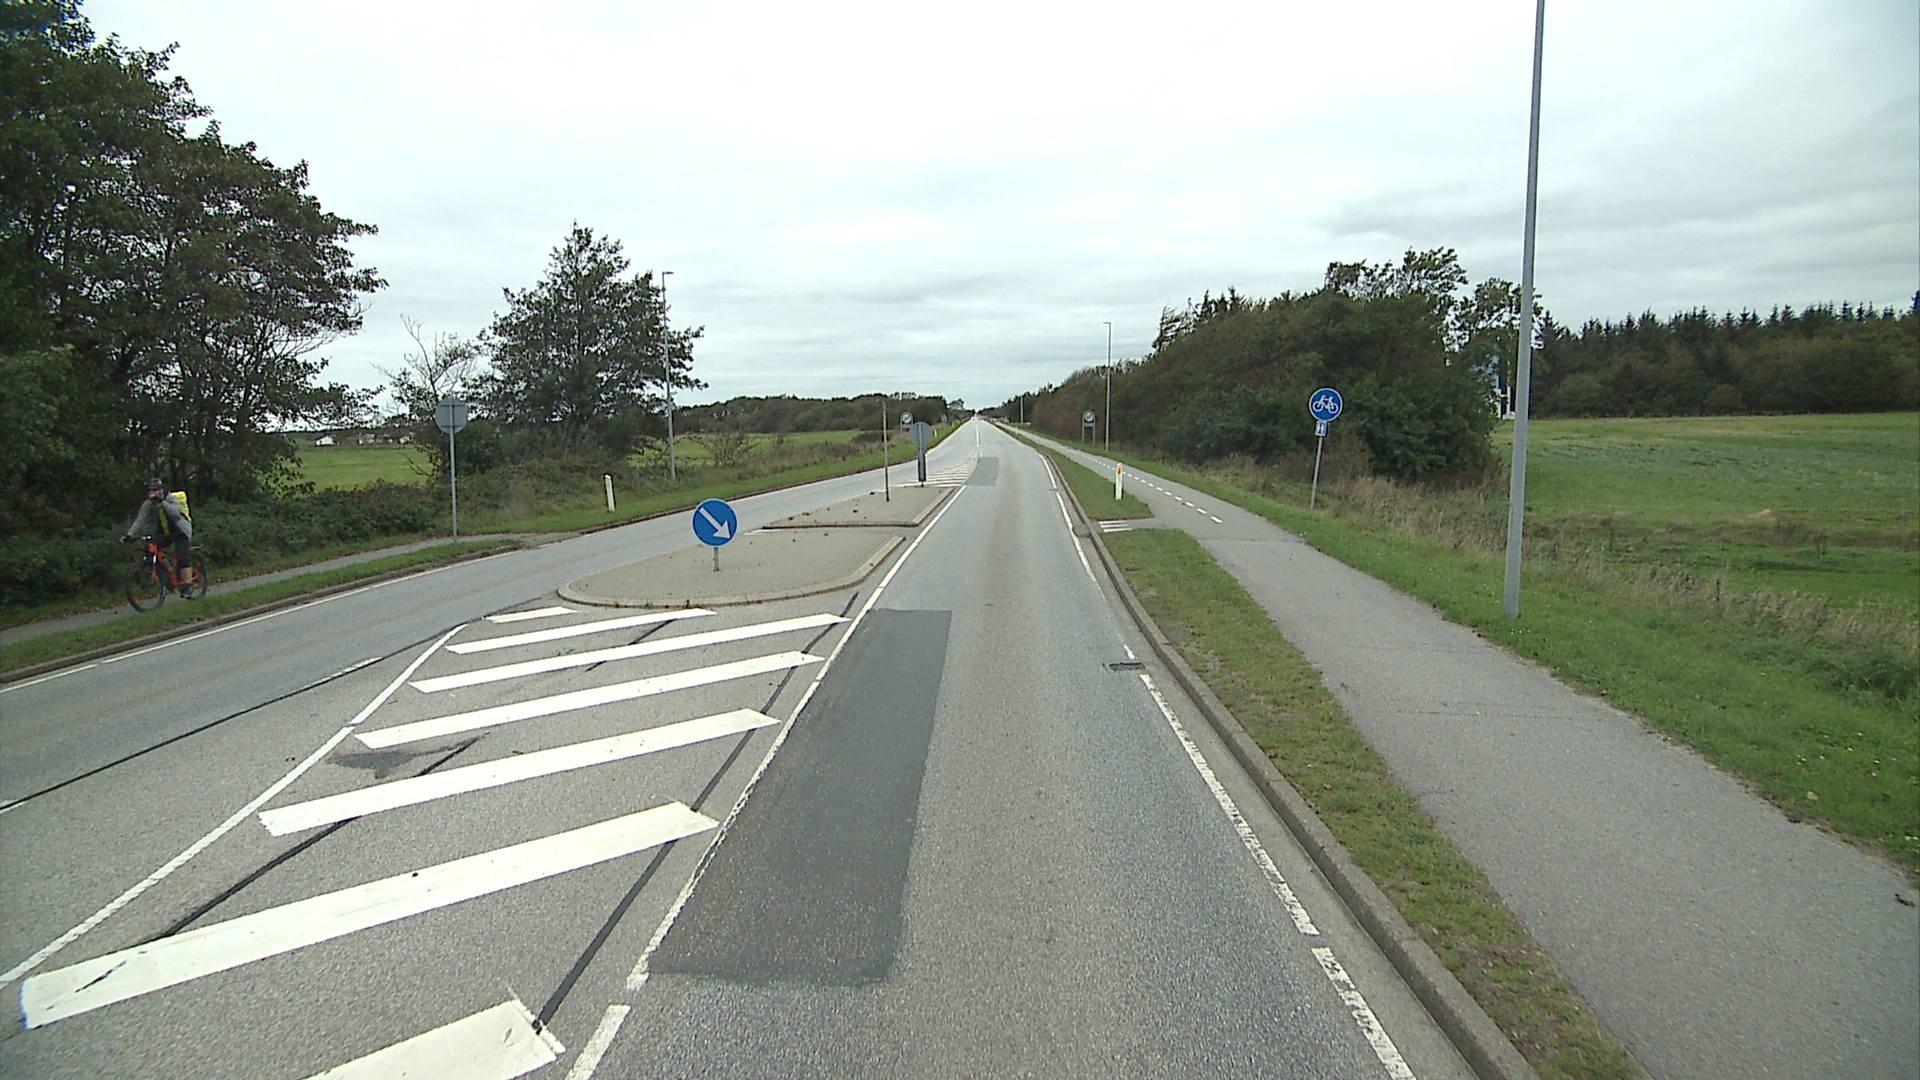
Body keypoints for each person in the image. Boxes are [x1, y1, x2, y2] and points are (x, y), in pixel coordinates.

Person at [121, 478, 197, 597]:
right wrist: (129, 535)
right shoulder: (148, 504)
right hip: (165, 532)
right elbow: (140, 520)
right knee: (150, 547)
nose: (152, 493)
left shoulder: (171, 498)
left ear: (161, 490)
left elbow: (176, 514)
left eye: (154, 490)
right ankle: (167, 572)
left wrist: (162, 501)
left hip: (181, 531)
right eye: (149, 490)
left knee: (183, 557)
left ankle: (188, 586)